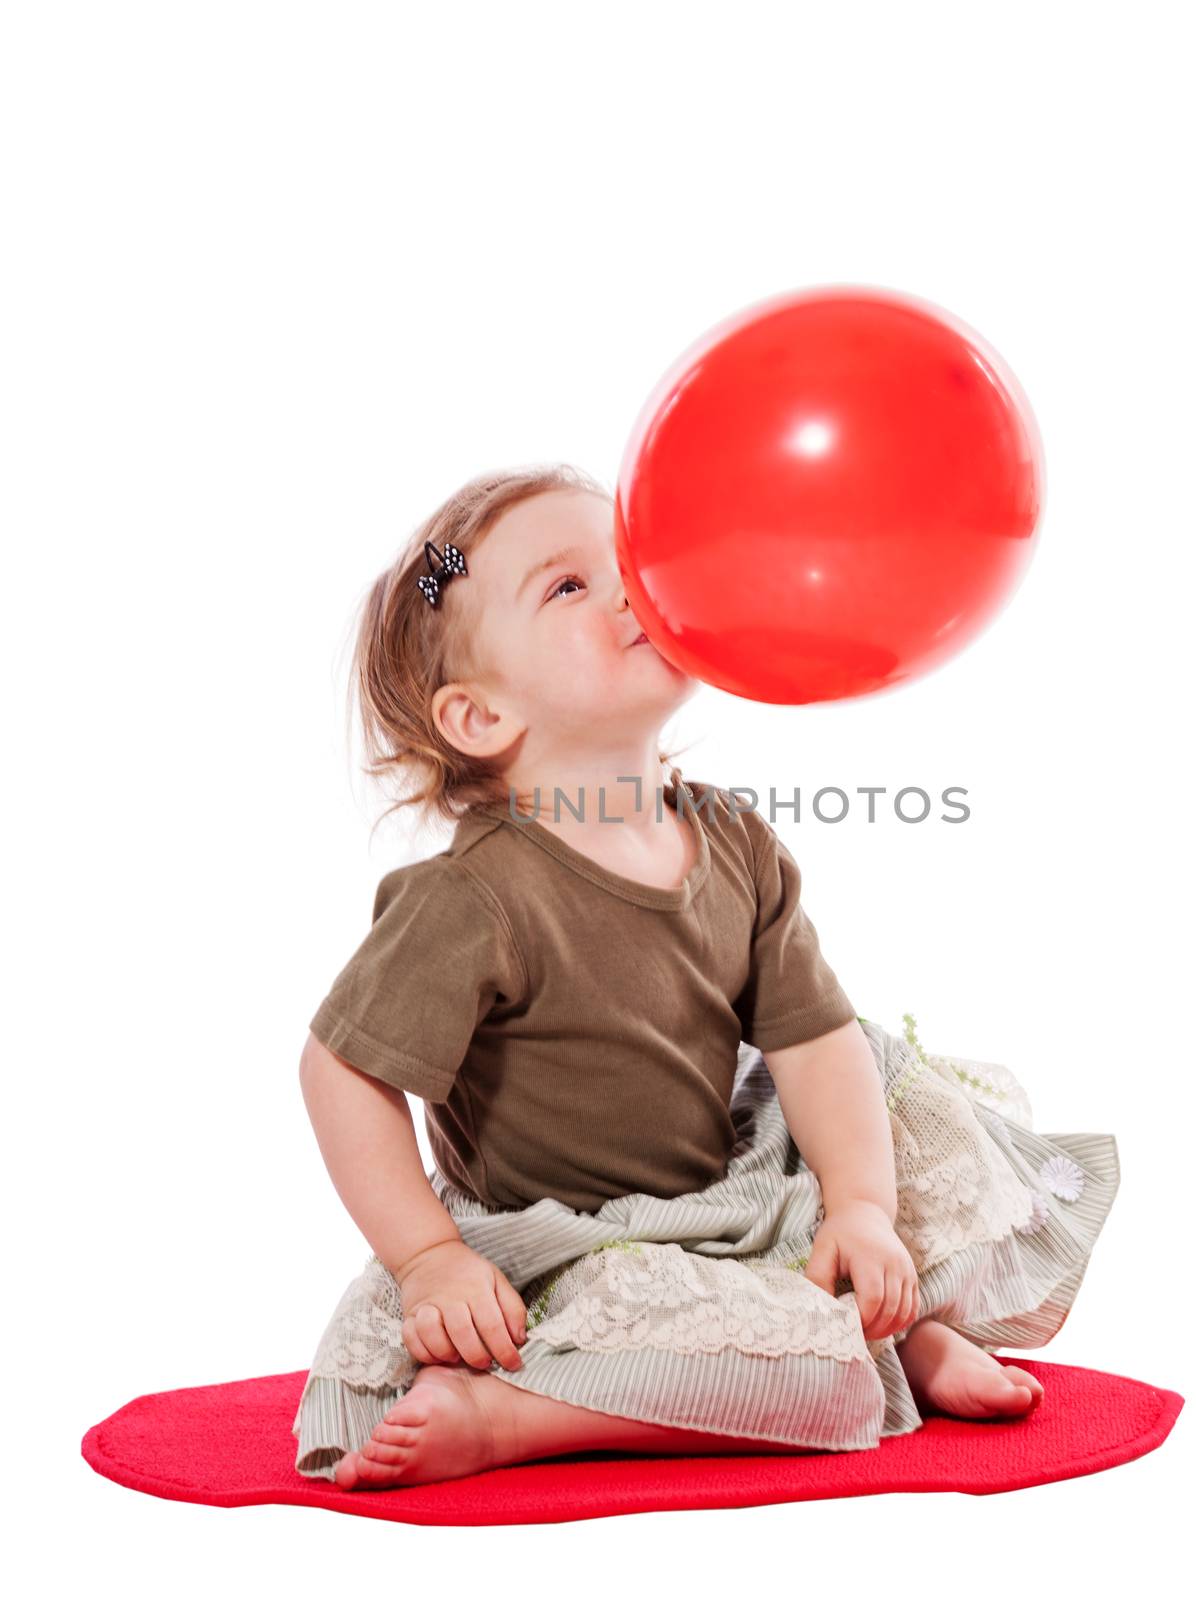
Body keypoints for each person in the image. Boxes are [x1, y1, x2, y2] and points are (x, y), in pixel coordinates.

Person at [293, 463, 1120, 1489]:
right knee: (756, 1367)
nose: (633, 592)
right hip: (576, 1243)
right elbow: (343, 1071)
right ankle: (519, 1412)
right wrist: (429, 1259)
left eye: (630, 565)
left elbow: (810, 1041)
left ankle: (894, 1321)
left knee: (875, 1064)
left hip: (730, 1192)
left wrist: (858, 1206)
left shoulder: (730, 838)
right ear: (478, 718)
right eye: (567, 587)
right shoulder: (471, 896)